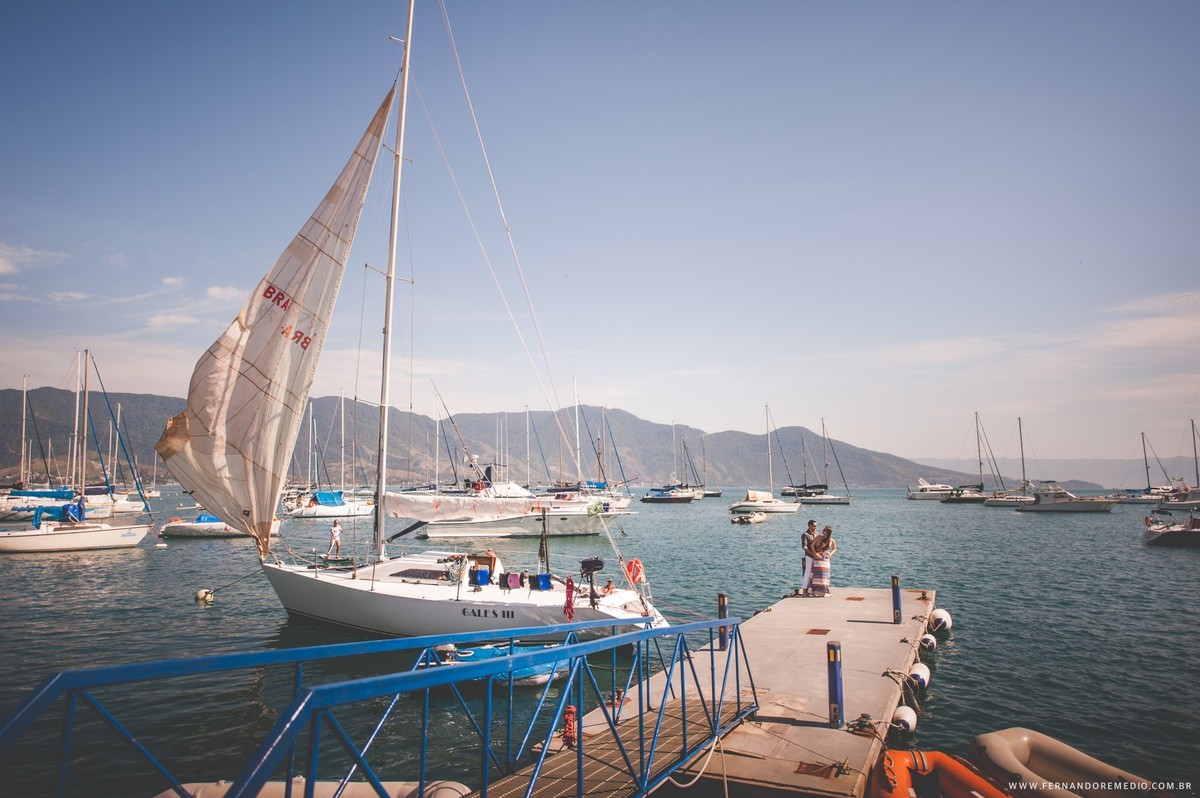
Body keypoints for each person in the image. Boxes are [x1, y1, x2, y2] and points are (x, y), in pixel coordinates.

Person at [810, 525, 837, 596]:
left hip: (825, 559)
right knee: (817, 574)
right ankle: (816, 591)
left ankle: (824, 591)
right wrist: (815, 553)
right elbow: (812, 545)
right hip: (818, 558)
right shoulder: (819, 537)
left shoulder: (831, 540)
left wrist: (830, 554)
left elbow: (834, 549)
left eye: (824, 530)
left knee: (825, 575)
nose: (823, 530)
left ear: (827, 532)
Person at [800, 520, 818, 596]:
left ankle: (812, 590)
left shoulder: (816, 534)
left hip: (816, 556)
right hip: (809, 556)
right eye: (814, 526)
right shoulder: (805, 535)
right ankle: (804, 591)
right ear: (809, 526)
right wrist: (812, 554)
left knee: (814, 574)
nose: (815, 527)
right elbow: (804, 547)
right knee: (807, 573)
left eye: (816, 526)